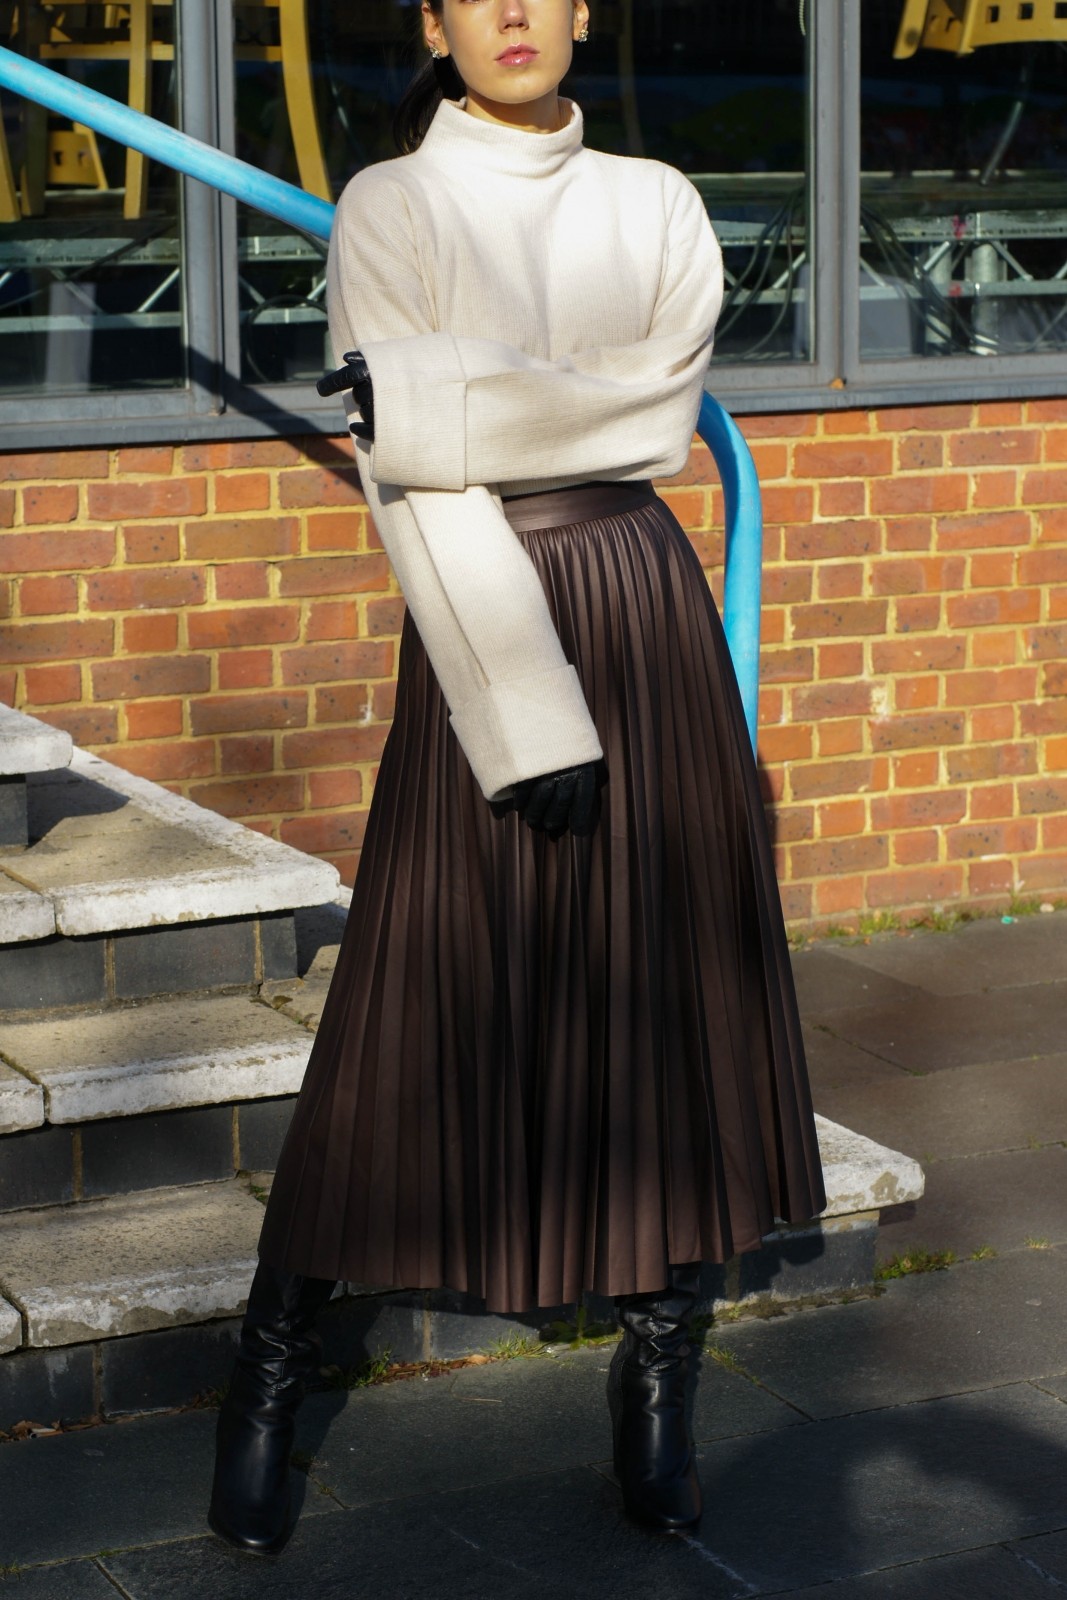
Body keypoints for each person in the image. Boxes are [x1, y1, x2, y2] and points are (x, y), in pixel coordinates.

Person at [208, 0, 826, 1556]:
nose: (512, 14)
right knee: (415, 994)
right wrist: (525, 707)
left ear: (580, 10)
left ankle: (661, 1381)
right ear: (435, 22)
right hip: (489, 626)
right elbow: (407, 486)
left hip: (643, 594)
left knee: (667, 985)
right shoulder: (392, 206)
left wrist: (444, 403)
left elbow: (660, 416)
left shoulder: (657, 201)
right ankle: (272, 1367)